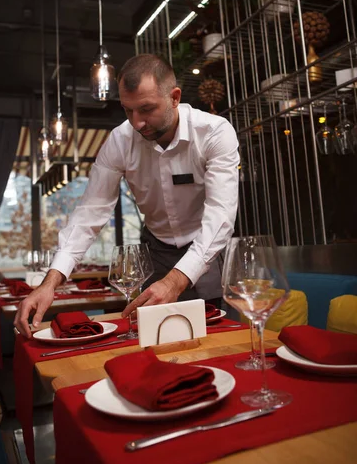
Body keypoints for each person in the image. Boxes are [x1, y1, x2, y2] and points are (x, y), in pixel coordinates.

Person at [14, 54, 239, 338]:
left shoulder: (214, 133)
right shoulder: (119, 141)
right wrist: (49, 283)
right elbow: (90, 213)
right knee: (156, 337)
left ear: (174, 97)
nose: (137, 123)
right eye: (128, 110)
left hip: (207, 247)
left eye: (146, 109)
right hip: (155, 250)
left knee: (218, 332)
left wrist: (174, 282)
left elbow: (220, 216)